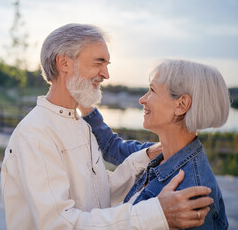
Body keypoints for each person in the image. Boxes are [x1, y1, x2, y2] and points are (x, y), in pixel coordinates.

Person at [1, 24, 213, 229]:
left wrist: (144, 156)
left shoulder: (78, 125)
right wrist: (157, 214)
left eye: (106, 65)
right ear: (64, 63)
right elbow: (58, 224)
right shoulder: (37, 133)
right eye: (98, 62)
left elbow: (98, 192)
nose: (106, 74)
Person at [80, 59, 229, 229]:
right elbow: (112, 147)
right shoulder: (158, 154)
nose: (142, 99)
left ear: (181, 104)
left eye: (152, 90)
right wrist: (82, 99)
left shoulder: (191, 192)